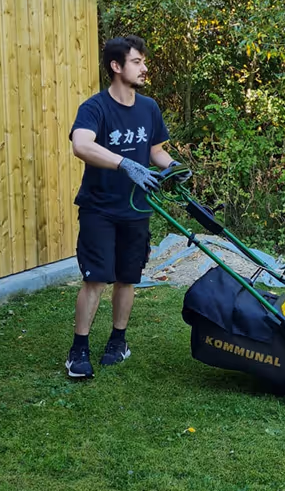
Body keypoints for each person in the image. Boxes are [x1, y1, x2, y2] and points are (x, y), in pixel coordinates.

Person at [65, 35, 178, 378]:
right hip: (99, 207)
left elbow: (155, 150)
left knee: (127, 278)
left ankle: (118, 341)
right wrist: (123, 164)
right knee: (96, 278)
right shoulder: (95, 108)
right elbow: (81, 145)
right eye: (137, 62)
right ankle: (79, 349)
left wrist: (173, 168)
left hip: (137, 209)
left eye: (143, 61)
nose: (144, 68)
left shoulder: (149, 108)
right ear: (116, 67)